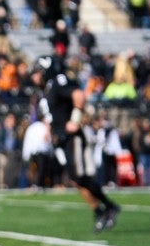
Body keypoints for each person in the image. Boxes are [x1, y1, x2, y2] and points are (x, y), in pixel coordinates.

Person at [37, 52, 121, 233]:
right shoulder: (48, 89)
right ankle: (101, 210)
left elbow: (79, 96)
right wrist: (49, 131)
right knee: (77, 180)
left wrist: (75, 120)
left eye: (39, 71)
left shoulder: (59, 81)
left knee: (78, 176)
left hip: (72, 137)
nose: (36, 75)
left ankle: (107, 207)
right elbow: (51, 115)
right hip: (61, 139)